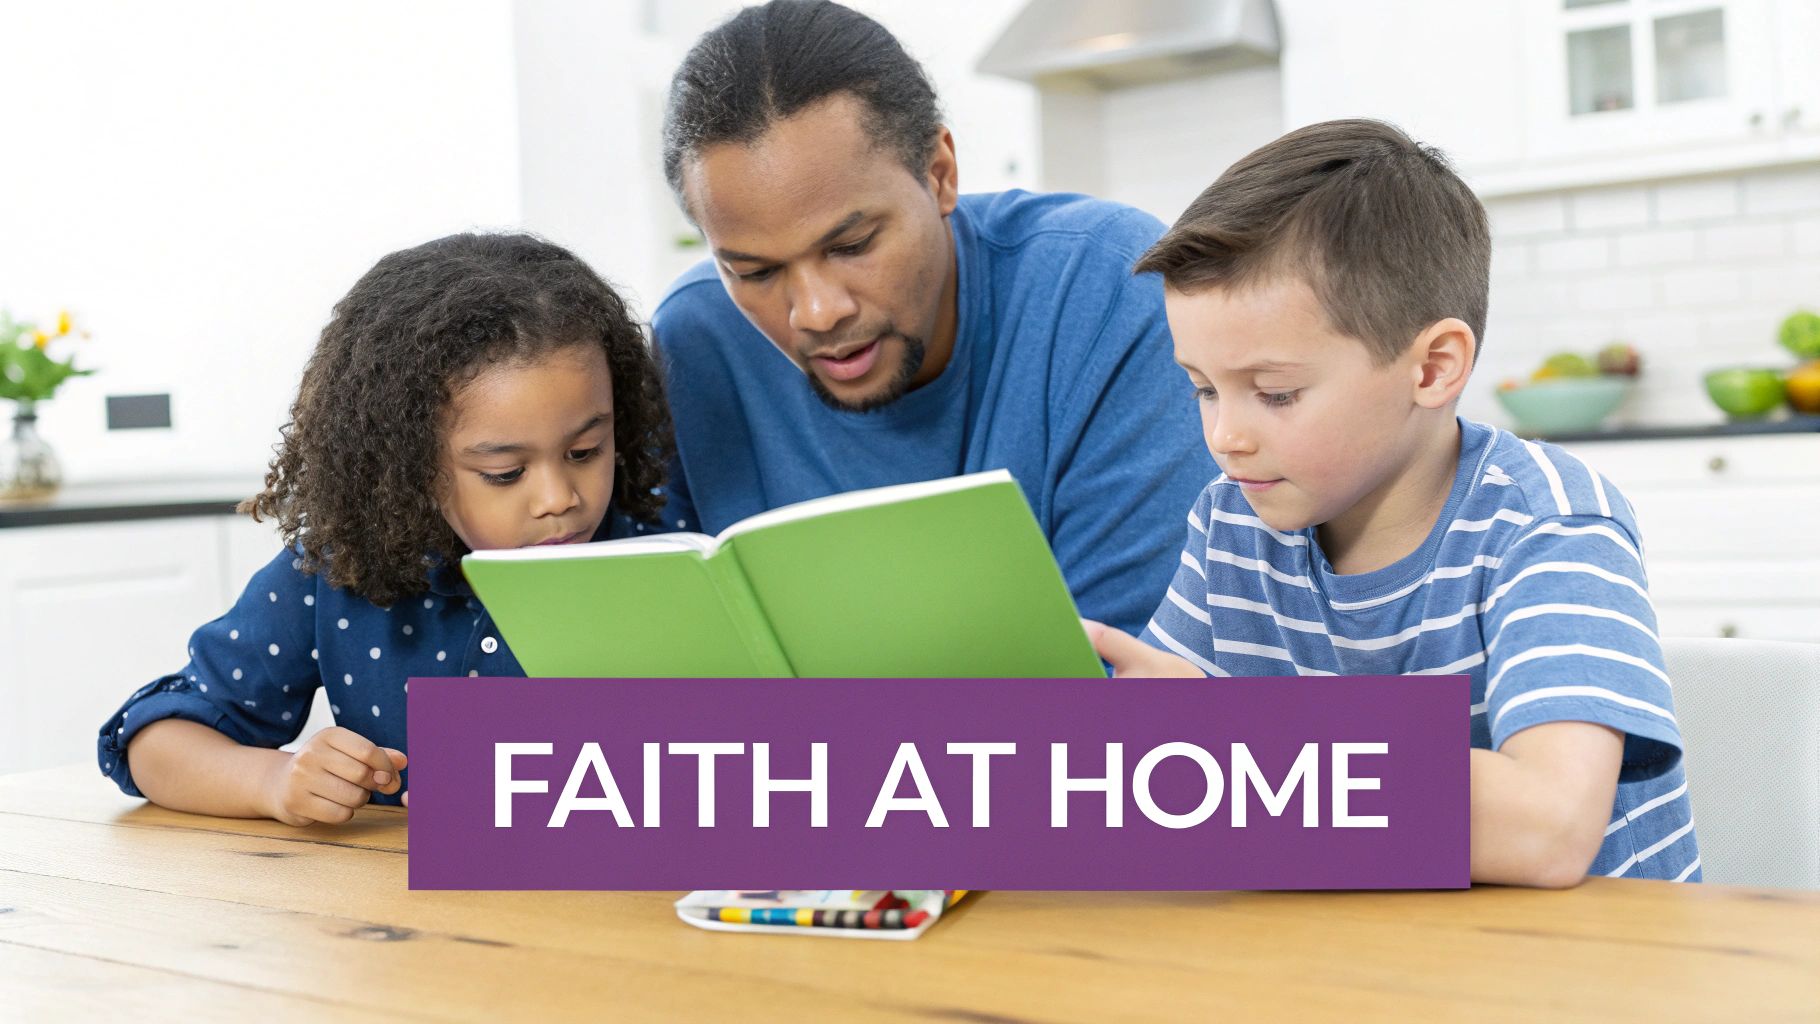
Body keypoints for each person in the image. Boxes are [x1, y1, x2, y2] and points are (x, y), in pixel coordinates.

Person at [1085, 120, 1700, 887]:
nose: (1224, 435)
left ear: (1434, 367)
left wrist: (1230, 745)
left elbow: (1551, 827)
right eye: (1203, 388)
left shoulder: (1548, 523)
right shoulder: (1231, 522)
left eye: (1275, 393)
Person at [644, 0, 1213, 636]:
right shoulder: (693, 341)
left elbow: (1133, 677)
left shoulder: (1109, 290)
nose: (818, 312)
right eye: (755, 272)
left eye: (852, 245)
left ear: (939, 173)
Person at [96, 232, 671, 824]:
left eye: (584, 451)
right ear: (408, 465)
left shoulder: (665, 558)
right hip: (398, 912)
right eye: (505, 473)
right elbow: (154, 738)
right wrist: (272, 780)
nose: (560, 499)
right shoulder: (337, 572)